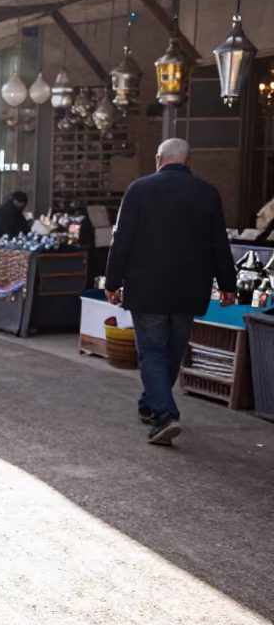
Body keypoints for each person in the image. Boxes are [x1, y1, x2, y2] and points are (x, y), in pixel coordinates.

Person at [104, 138, 237, 445]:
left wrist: (112, 282)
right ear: (189, 162)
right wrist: (228, 285)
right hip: (189, 290)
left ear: (158, 159)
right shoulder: (208, 193)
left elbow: (121, 241)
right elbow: (219, 243)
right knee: (172, 353)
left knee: (151, 352)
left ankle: (165, 416)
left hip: (146, 287)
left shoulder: (139, 189)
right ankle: (148, 405)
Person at [0, 191, 31, 256]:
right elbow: (8, 228)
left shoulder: (13, 209)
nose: (24, 207)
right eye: (23, 205)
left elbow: (22, 224)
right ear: (17, 201)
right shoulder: (7, 210)